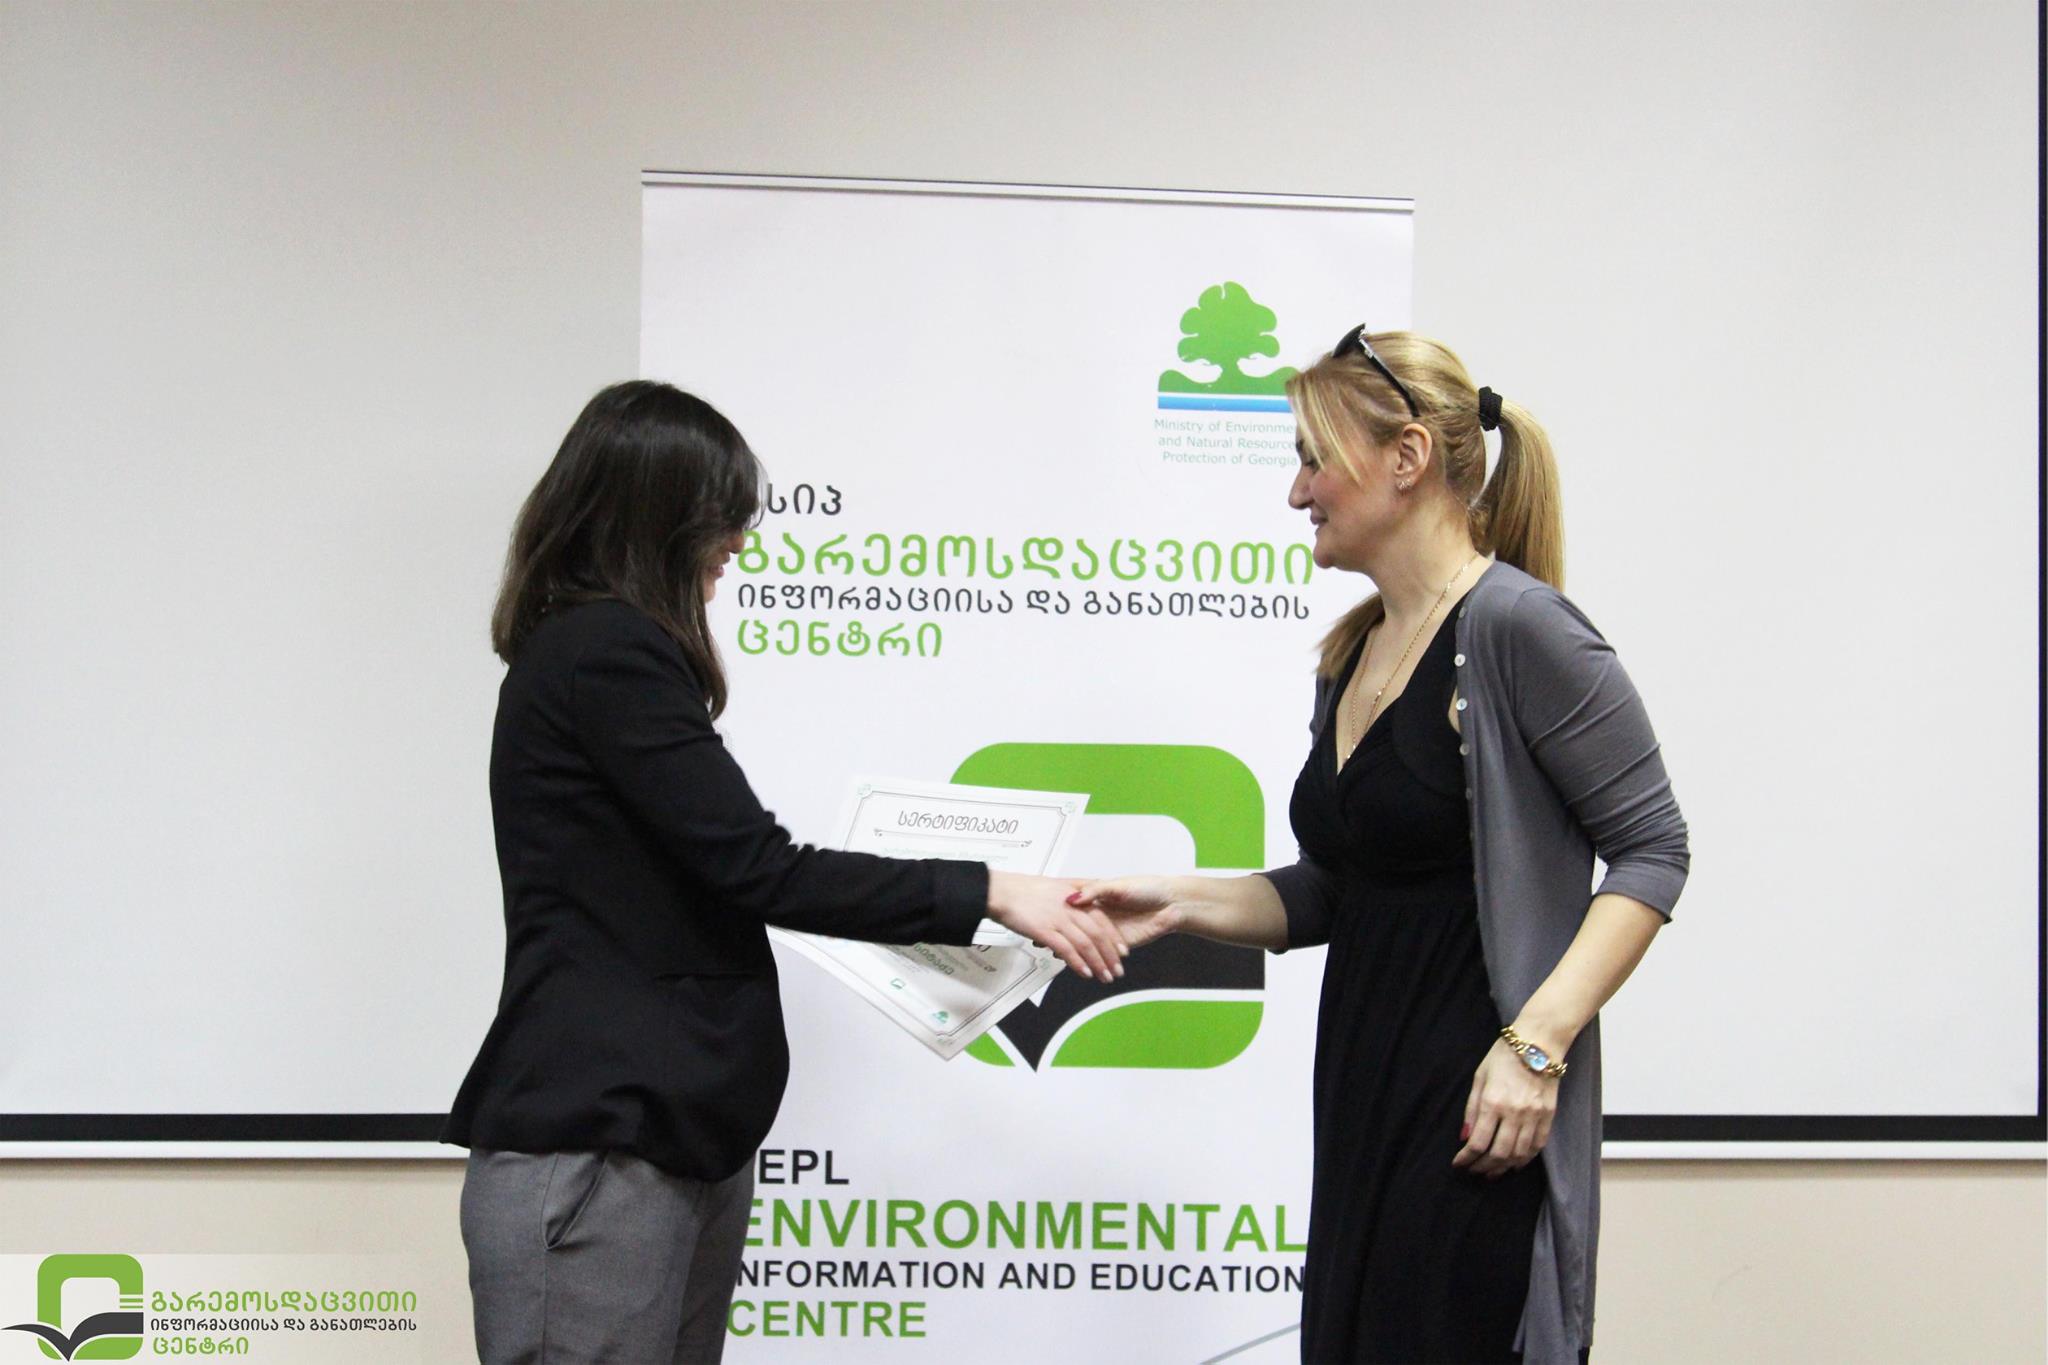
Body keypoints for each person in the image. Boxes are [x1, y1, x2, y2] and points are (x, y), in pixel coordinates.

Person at [442, 380, 1128, 1364]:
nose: (737, 540)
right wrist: (992, 890)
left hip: (663, 1143)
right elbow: (760, 868)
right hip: (603, 1148)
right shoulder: (604, 651)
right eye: (718, 514)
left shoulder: (599, 654)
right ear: (656, 517)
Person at [1072, 328, 1688, 1364]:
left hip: (1476, 1114)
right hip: (1363, 1094)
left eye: (1313, 459)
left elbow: (1653, 849)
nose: (1296, 493)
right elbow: (1335, 891)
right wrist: (1172, 901)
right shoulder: (1351, 651)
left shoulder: (1520, 629)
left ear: (1406, 459)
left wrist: (1533, 1050)